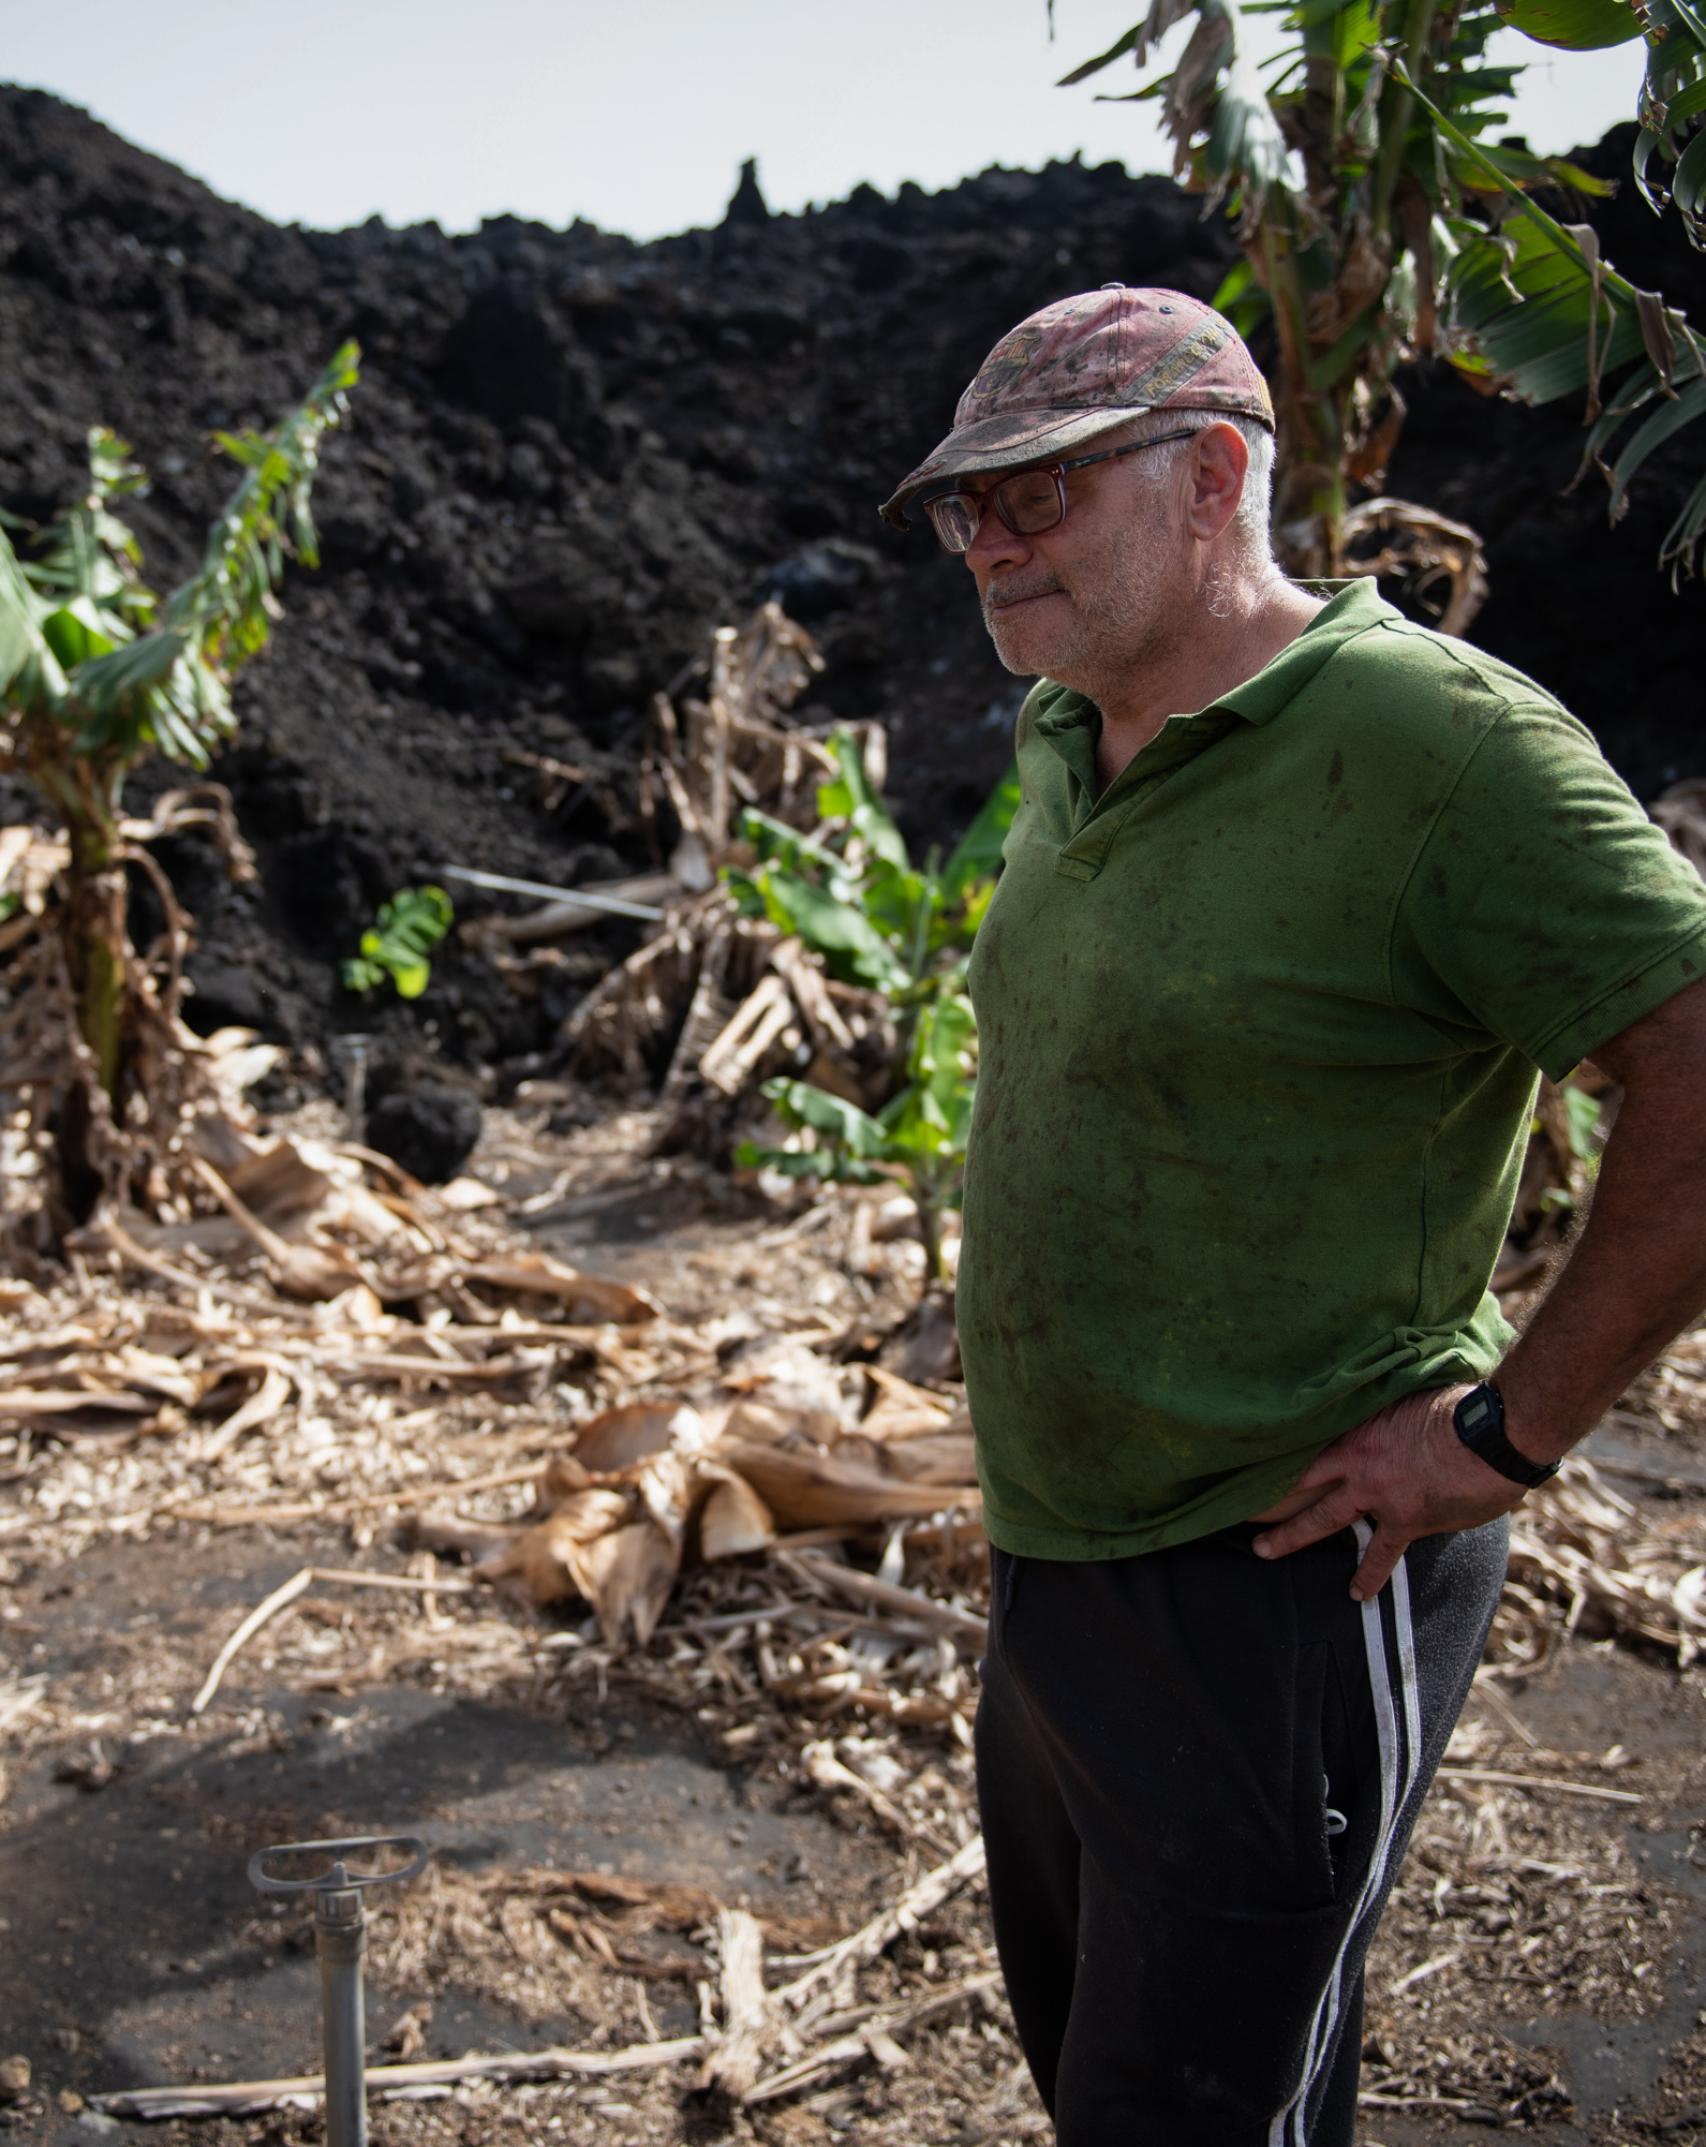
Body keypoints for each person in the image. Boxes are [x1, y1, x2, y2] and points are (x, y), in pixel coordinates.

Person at [877, 285, 1706, 2145]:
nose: (990, 542)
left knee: (1207, 2112)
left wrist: (1514, 1426)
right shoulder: (1063, 733)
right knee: (1103, 2072)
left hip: (1282, 1575)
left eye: (1042, 491)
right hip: (1059, 1557)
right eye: (965, 508)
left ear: (1214, 475)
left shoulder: (1440, 749)